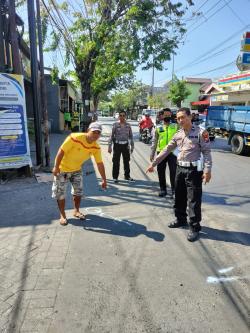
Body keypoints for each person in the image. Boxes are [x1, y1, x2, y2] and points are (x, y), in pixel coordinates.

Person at [146, 107, 212, 242]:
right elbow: (166, 150)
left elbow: (207, 153)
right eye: (178, 118)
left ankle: (194, 227)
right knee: (178, 196)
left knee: (193, 200)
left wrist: (207, 171)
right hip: (180, 169)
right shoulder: (178, 134)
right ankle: (180, 219)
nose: (180, 120)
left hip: (194, 171)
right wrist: (153, 163)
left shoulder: (201, 132)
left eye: (183, 117)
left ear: (190, 117)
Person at [52, 122, 107, 226]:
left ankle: (76, 211)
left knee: (78, 192)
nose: (95, 135)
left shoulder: (96, 147)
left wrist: (104, 179)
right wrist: (56, 167)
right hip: (62, 168)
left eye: (98, 133)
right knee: (60, 193)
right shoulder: (74, 137)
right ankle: (62, 214)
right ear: (88, 131)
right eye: (94, 132)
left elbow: (100, 163)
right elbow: (61, 151)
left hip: (76, 170)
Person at [150, 108, 178, 197]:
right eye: (165, 115)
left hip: (173, 153)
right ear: (162, 116)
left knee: (173, 172)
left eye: (169, 115)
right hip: (161, 152)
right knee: (160, 171)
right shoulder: (158, 127)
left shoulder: (176, 126)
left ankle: (174, 190)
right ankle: (163, 189)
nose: (167, 117)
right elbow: (154, 141)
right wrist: (152, 153)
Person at [108, 110, 134, 183]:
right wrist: (109, 146)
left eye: (123, 115)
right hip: (117, 145)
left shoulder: (128, 125)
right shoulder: (115, 125)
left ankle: (127, 176)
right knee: (116, 161)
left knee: (126, 161)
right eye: (121, 115)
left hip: (125, 145)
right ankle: (115, 177)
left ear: (125, 116)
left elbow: (131, 136)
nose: (122, 117)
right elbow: (111, 136)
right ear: (118, 116)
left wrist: (132, 146)